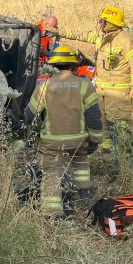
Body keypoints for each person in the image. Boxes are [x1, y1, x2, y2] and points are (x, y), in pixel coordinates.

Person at [25, 45, 103, 218]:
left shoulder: (44, 86)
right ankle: (84, 196)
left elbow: (29, 114)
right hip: (79, 141)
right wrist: (95, 140)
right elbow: (94, 117)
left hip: (51, 143)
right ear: (74, 65)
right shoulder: (85, 86)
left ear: (53, 65)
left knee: (51, 174)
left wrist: (31, 129)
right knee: (81, 163)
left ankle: (53, 213)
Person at [59, 6, 133, 151]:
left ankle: (122, 149)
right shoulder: (101, 37)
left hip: (119, 91)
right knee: (101, 119)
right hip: (101, 88)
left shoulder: (125, 41)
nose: (100, 23)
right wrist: (59, 32)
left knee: (118, 122)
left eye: (102, 21)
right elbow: (81, 35)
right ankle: (106, 148)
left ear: (110, 23)